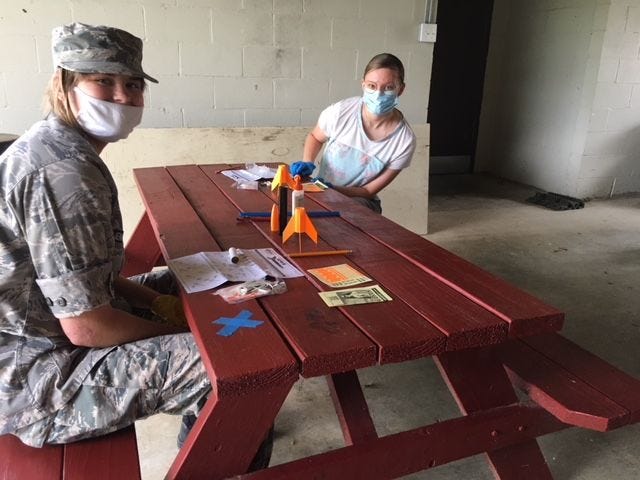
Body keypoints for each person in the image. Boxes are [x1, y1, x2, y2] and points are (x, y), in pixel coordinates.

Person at [0, 22, 272, 469]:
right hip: (38, 380)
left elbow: (92, 283)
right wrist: (187, 333)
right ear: (66, 84)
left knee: (196, 279)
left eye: (133, 84)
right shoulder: (63, 171)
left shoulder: (62, 149)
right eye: (103, 81)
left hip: (51, 333)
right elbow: (87, 328)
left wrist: (158, 300)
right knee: (243, 365)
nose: (123, 96)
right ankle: (215, 461)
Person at [291, 53, 417, 213]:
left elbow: (367, 191)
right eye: (372, 86)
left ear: (401, 89)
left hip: (359, 200)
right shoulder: (341, 112)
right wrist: (308, 162)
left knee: (350, 216)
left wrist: (333, 190)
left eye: (389, 87)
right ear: (363, 85)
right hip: (320, 192)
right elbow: (315, 137)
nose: (378, 94)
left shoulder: (404, 141)